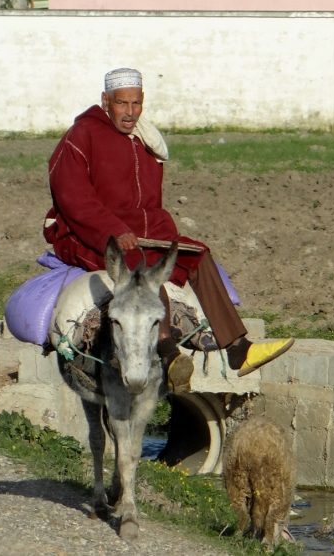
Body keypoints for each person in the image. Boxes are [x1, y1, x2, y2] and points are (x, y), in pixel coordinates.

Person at [43, 68, 293, 391]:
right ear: (106, 101)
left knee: (197, 255)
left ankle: (239, 350)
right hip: (89, 234)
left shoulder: (145, 141)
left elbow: (149, 205)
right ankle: (168, 352)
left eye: (136, 103)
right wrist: (114, 230)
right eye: (122, 104)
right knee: (141, 268)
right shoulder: (82, 135)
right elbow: (73, 197)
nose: (130, 112)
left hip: (137, 233)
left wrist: (167, 237)